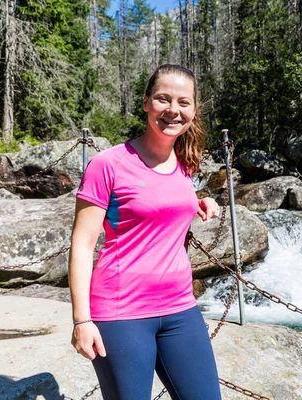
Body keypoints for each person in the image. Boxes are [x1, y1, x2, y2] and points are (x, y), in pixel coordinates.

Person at [68, 64, 222, 400]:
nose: (173, 110)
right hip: (122, 314)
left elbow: (158, 201)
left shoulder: (185, 162)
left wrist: (197, 201)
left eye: (183, 102)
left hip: (181, 308)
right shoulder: (108, 165)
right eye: (163, 99)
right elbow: (81, 245)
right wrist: (82, 321)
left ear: (194, 110)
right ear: (145, 102)